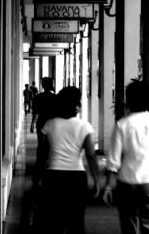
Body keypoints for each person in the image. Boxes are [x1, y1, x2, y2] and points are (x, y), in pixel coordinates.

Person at [103, 79, 149, 234]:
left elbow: (113, 162)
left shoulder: (122, 124)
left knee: (129, 225)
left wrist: (108, 186)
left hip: (126, 182)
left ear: (129, 100)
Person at [35, 86, 100, 234]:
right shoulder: (84, 126)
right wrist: (96, 181)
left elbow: (43, 153)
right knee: (76, 220)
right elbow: (91, 156)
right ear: (77, 106)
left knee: (53, 220)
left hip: (52, 176)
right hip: (76, 178)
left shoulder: (50, 124)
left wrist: (37, 177)